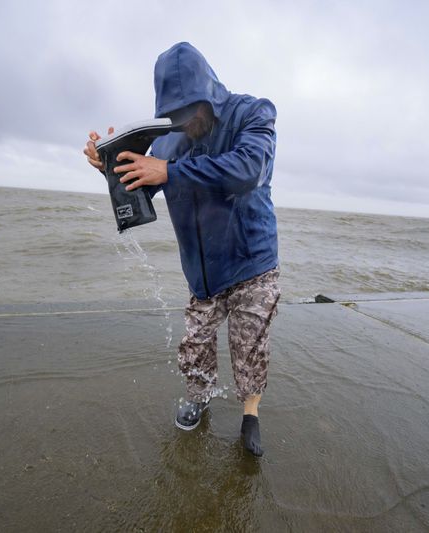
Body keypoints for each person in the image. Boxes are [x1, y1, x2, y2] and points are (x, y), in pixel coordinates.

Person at [84, 42, 279, 457]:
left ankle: (250, 412)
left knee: (250, 345)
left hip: (253, 260)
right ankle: (199, 395)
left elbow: (249, 170)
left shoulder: (253, 113)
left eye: (189, 111)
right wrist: (111, 164)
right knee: (195, 345)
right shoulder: (169, 140)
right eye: (172, 115)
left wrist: (170, 170)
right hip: (202, 270)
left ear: (209, 94)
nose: (183, 122)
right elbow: (143, 182)